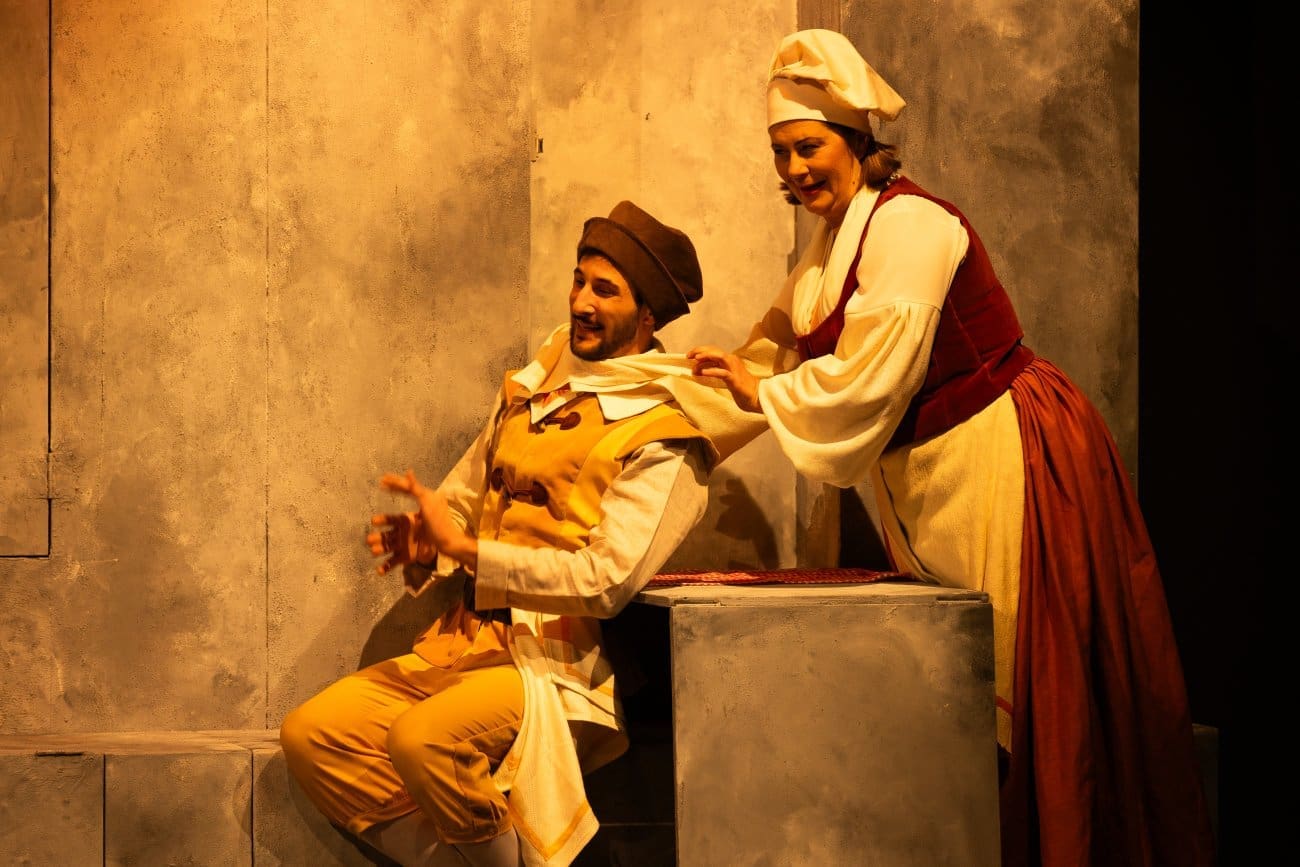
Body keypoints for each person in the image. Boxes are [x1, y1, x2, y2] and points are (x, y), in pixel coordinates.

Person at [686, 28, 1216, 867]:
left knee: (1017, 676)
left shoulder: (910, 228)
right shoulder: (830, 246)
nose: (793, 168)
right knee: (960, 681)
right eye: (781, 151)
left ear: (855, 141)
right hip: (930, 480)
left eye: (809, 147)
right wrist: (674, 408)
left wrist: (761, 391)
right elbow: (772, 347)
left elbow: (868, 380)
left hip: (1003, 456)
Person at [279, 201, 720, 867]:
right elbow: (462, 500)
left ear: (647, 317)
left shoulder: (665, 434)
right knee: (314, 734)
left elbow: (607, 580)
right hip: (462, 643)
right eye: (579, 281)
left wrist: (472, 553)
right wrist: (432, 542)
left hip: (557, 664)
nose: (582, 302)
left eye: (606, 290)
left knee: (424, 740)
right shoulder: (534, 387)